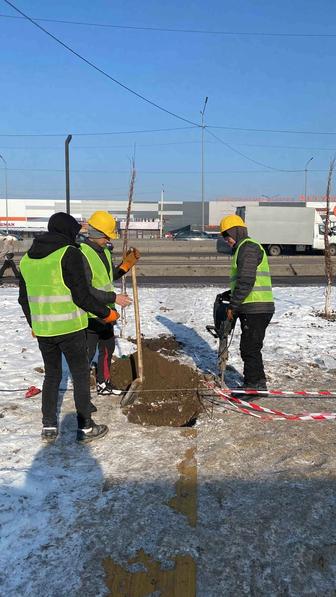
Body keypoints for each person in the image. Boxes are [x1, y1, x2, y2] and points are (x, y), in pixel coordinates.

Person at [18, 212, 118, 443]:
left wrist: (33, 324)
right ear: (68, 232)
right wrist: (106, 312)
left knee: (52, 375)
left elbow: (24, 299)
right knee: (80, 375)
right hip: (70, 328)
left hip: (44, 331)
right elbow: (81, 295)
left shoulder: (27, 259)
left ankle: (49, 427)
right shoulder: (68, 253)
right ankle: (86, 428)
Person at [80, 210, 139, 395]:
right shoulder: (82, 254)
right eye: (107, 236)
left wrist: (125, 265)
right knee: (88, 353)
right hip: (91, 313)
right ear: (97, 233)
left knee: (108, 347)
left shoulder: (104, 251)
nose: (109, 240)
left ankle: (103, 384)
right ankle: (81, 390)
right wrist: (115, 298)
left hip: (106, 312)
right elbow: (86, 290)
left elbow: (109, 276)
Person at [219, 214, 274, 391]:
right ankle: (255, 382)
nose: (226, 240)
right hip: (252, 307)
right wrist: (229, 294)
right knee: (250, 347)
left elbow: (247, 280)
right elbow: (244, 280)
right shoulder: (243, 248)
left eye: (227, 236)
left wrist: (233, 306)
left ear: (236, 231)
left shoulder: (248, 247)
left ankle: (255, 385)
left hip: (256, 308)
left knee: (250, 348)